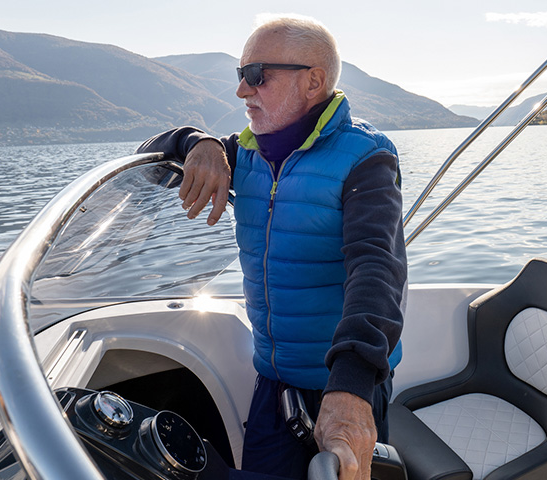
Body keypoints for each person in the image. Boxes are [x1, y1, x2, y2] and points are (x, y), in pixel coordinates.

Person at [136, 15, 407, 480]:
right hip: (274, 384)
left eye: (257, 75)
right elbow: (149, 156)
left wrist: (353, 387)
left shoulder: (366, 158)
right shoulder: (241, 152)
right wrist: (195, 141)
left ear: (313, 81)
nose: (242, 91)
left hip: (343, 385)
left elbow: (377, 270)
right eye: (239, 76)